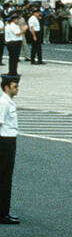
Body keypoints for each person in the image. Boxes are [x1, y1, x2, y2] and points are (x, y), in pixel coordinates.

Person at [0, 73, 19, 223]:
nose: (17, 89)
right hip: (4, 142)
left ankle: (5, 211)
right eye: (14, 86)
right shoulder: (4, 103)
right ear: (6, 87)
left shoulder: (9, 102)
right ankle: (2, 214)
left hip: (10, 141)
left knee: (7, 178)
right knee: (4, 178)